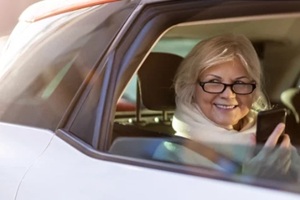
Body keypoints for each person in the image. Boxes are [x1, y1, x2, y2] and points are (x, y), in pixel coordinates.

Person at [154, 34, 300, 180]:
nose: (228, 94)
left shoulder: (273, 144)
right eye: (214, 82)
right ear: (191, 87)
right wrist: (254, 180)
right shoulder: (171, 155)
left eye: (241, 83)